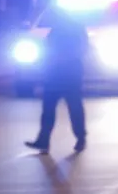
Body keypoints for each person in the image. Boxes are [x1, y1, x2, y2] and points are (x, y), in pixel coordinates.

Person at [25, 8, 88, 154]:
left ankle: (80, 138)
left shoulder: (73, 30)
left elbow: (79, 50)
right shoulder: (58, 30)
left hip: (68, 75)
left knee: (73, 108)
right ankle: (44, 140)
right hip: (57, 75)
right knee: (50, 109)